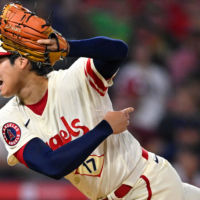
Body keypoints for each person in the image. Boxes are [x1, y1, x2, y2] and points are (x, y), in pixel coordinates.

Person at [0, 18, 200, 200]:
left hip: (146, 183)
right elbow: (51, 165)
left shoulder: (76, 78)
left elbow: (118, 51)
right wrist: (104, 128)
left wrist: (68, 47)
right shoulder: (9, 118)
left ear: (21, 60)